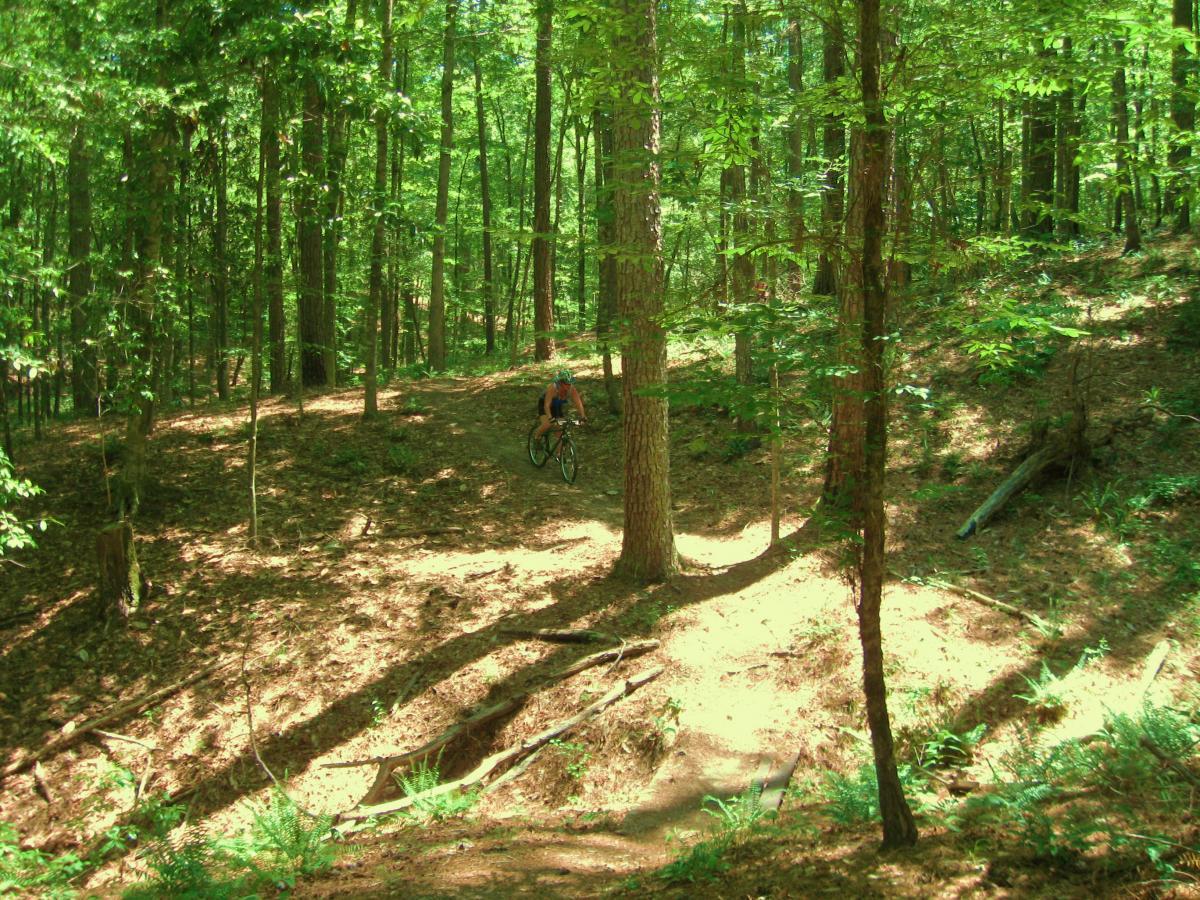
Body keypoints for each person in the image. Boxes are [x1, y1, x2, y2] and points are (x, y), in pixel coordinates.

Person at [535, 370, 587, 440]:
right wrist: (550, 418)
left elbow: (578, 403)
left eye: (570, 383)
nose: (569, 385)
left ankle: (559, 451)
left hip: (557, 406)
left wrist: (583, 416)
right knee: (548, 424)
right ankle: (536, 437)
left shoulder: (571, 389)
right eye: (566, 383)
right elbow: (546, 405)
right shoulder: (553, 388)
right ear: (560, 383)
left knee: (560, 429)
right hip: (545, 404)